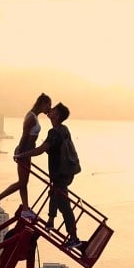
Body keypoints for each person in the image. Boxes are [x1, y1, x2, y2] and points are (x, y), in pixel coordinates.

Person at [16, 102, 84, 250]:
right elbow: (54, 149)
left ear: (57, 115)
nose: (50, 110)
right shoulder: (64, 129)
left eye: (53, 110)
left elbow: (41, 149)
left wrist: (22, 155)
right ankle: (51, 222)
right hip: (66, 173)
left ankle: (74, 238)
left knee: (64, 206)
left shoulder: (54, 133)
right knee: (53, 193)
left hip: (59, 174)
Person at [0, 93, 52, 213]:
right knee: (22, 182)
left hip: (26, 153)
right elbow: (24, 136)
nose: (49, 108)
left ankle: (26, 208)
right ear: (43, 104)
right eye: (48, 105)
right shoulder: (31, 118)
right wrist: (20, 154)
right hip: (24, 153)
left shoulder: (33, 116)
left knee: (23, 183)